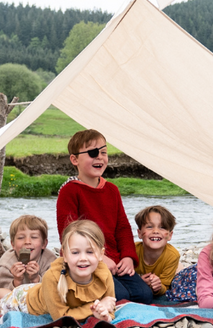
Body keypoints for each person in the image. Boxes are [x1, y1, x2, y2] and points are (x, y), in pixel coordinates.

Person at [56, 129, 152, 304]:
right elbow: (69, 233)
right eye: (93, 153)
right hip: (85, 260)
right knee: (119, 296)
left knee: (144, 294)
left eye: (104, 152)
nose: (100, 157)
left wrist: (128, 257)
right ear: (75, 159)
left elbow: (122, 227)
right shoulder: (69, 191)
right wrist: (99, 257)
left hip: (114, 260)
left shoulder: (112, 190)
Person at [0, 219, 117, 322]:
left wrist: (105, 316)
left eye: (90, 252)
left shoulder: (103, 273)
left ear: (101, 254)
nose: (83, 258)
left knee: (7, 293)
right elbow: (60, 317)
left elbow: (110, 306)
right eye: (75, 252)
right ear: (64, 255)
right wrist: (94, 308)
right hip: (25, 301)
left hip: (38, 289)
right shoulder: (52, 277)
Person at [0, 215, 57, 290]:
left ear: (44, 244)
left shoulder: (51, 261)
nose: (27, 242)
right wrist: (17, 281)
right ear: (13, 244)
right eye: (21, 238)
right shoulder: (6, 264)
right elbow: (3, 292)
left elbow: (53, 290)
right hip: (14, 296)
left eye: (34, 237)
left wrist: (36, 279)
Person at [133, 205, 180, 298]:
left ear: (170, 235)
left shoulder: (172, 255)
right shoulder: (133, 250)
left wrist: (158, 287)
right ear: (139, 233)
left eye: (162, 227)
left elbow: (165, 287)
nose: (155, 231)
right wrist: (138, 281)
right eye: (150, 227)